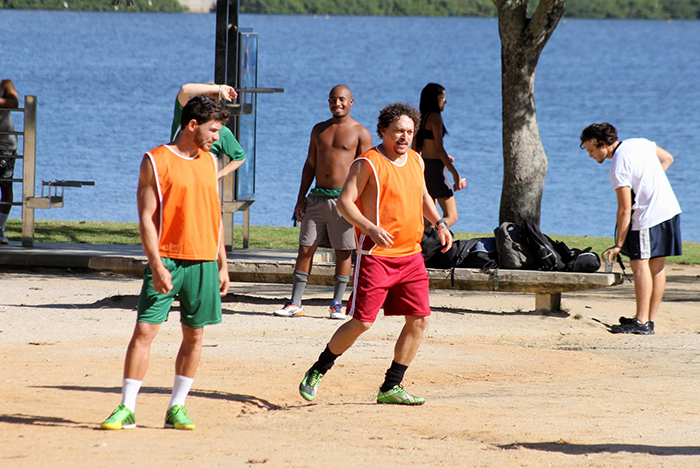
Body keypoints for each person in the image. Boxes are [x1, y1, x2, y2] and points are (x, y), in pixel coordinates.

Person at [298, 103, 453, 405]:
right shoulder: (367, 163)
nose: (404, 137)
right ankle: (318, 368)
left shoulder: (417, 161)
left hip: (411, 257)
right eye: (398, 131)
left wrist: (440, 223)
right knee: (362, 322)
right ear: (383, 131)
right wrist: (369, 228)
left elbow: (423, 197)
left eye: (409, 132)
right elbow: (345, 202)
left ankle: (391, 386)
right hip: (376, 257)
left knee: (420, 320)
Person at [100, 96, 231, 430]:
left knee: (195, 336)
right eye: (213, 130)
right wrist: (156, 263)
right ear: (192, 125)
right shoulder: (155, 161)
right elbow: (145, 218)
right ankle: (127, 407)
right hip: (168, 259)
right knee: (144, 330)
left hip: (203, 261)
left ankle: (177, 407)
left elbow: (213, 215)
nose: (217, 137)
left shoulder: (210, 161)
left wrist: (222, 263)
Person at [274, 85, 373, 319]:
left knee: (343, 252)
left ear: (351, 102)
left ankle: (337, 303)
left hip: (344, 201)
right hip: (316, 198)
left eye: (341, 100)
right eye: (332, 100)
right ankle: (295, 302)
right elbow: (310, 164)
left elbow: (368, 171)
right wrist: (300, 198)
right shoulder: (319, 129)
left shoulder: (361, 132)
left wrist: (361, 206)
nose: (336, 104)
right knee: (306, 248)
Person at [580, 122, 682, 335]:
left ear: (601, 144)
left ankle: (641, 322)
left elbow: (625, 210)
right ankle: (648, 320)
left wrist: (618, 244)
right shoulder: (639, 143)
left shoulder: (617, 166)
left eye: (590, 150)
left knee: (639, 263)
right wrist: (649, 182)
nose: (590, 155)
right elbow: (667, 159)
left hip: (647, 215)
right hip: (670, 208)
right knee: (657, 265)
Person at [413, 83, 466, 227]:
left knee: (430, 219)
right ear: (434, 99)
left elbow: (417, 149)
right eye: (443, 97)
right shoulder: (435, 117)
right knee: (451, 216)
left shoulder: (420, 119)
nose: (445, 101)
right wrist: (455, 174)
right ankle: (431, 239)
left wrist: (444, 158)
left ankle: (425, 245)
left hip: (424, 167)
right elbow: (438, 149)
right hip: (436, 170)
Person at [172, 83, 246, 179]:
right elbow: (185, 90)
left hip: (203, 183)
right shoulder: (185, 117)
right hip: (177, 177)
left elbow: (240, 157)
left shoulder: (222, 132)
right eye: (207, 100)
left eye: (215, 100)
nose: (215, 136)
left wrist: (220, 174)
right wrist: (219, 89)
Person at [0, 79, 19, 244]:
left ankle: (0, 229)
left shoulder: (5, 84)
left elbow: (14, 102)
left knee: (5, 186)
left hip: (5, 145)